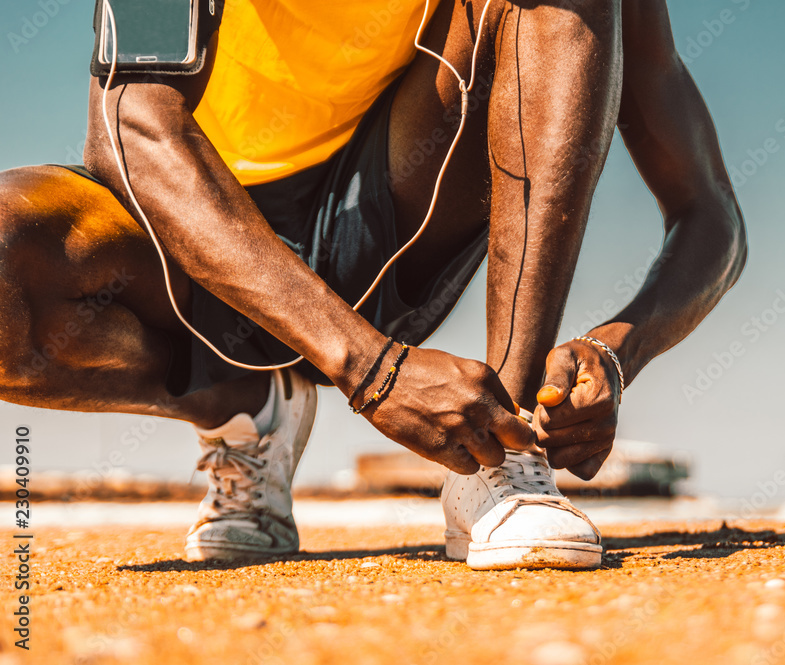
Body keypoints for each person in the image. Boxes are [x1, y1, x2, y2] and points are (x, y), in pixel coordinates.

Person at [0, 0, 746, 570]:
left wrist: (619, 351)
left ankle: (504, 445)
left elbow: (712, 217)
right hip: (193, 239)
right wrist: (369, 365)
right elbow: (131, 126)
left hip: (391, 219)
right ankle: (246, 408)